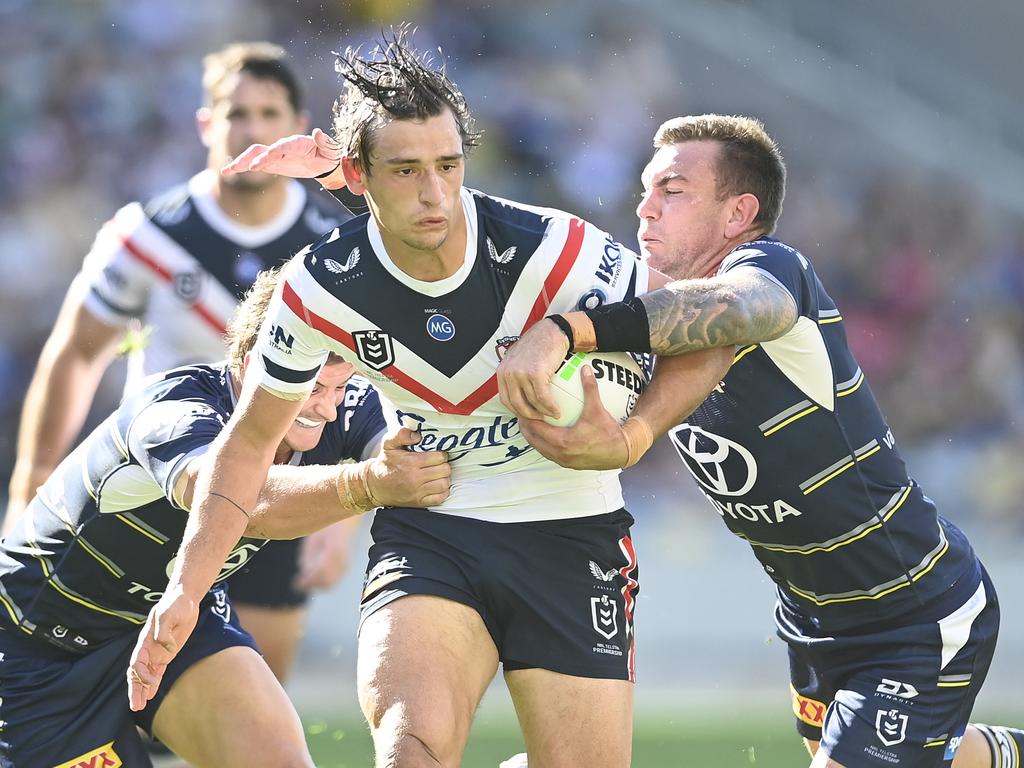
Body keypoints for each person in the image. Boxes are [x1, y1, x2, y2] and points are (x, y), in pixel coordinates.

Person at [127, 28, 726, 768]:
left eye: (448, 165)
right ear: (358, 175)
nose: (435, 193)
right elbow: (247, 443)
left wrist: (633, 438)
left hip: (574, 538)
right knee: (410, 756)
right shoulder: (319, 286)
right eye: (406, 171)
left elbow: (711, 326)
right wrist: (186, 590)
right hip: (435, 533)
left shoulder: (553, 250)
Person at [496, 114, 1024, 768]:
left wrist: (565, 332)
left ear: (737, 212)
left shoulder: (772, 272)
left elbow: (738, 312)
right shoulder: (636, 314)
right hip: (813, 625)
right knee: (918, 756)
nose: (645, 206)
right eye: (644, 189)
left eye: (673, 189)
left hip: (916, 612)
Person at [5, 41, 356, 685]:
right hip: (158, 491)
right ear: (206, 124)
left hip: (275, 489)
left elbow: (363, 382)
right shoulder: (148, 235)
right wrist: (30, 479)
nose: (251, 129)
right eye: (235, 113)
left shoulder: (330, 244)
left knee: (253, 700)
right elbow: (76, 355)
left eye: (268, 113)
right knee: (139, 695)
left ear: (296, 129)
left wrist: (340, 520)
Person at [0, 266, 451, 767]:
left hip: (179, 622)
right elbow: (235, 499)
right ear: (259, 361)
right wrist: (366, 485)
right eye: (316, 387)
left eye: (341, 386)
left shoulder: (340, 405)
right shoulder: (174, 412)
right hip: (37, 655)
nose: (329, 409)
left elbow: (425, 452)